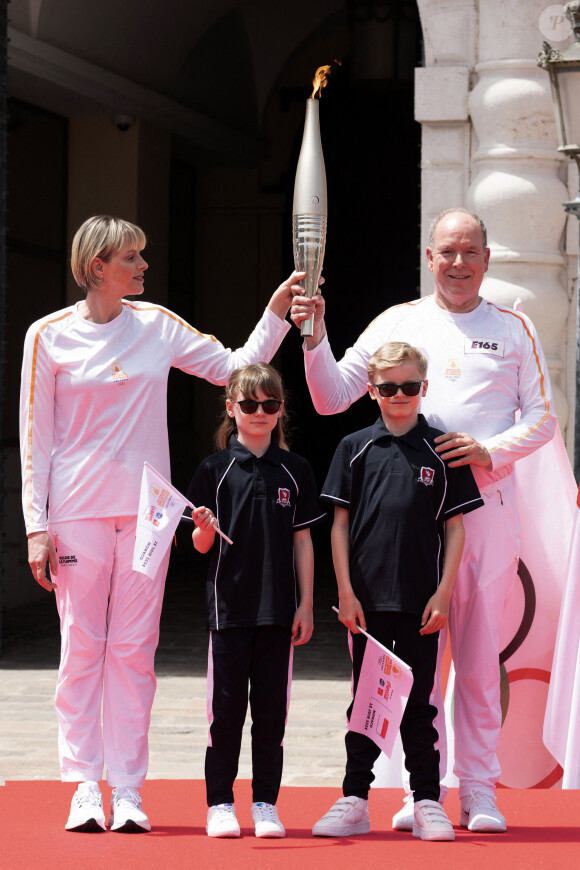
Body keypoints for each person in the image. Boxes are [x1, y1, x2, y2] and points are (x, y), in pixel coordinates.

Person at [20, 215, 304, 834]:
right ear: (98, 267)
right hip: (77, 512)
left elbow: (233, 365)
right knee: (81, 648)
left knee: (133, 651)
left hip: (150, 515)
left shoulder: (157, 326)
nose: (144, 267)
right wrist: (36, 525)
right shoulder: (48, 337)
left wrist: (276, 314)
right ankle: (82, 787)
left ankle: (126, 788)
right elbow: (35, 436)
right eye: (132, 258)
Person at [291, 208, 556, 833]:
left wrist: (491, 451)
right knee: (414, 663)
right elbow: (331, 396)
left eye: (469, 252)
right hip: (407, 526)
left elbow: (543, 418)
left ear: (486, 259)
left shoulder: (514, 328)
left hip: (482, 513)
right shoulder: (398, 322)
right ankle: (417, 791)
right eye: (446, 252)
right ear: (429, 258)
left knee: (477, 655)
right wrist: (314, 336)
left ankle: (481, 791)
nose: (458, 263)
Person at [312, 342, 483, 841]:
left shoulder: (443, 449)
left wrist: (444, 593)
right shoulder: (354, 447)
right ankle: (354, 798)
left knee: (419, 704)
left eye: (410, 387)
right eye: (389, 388)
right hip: (366, 602)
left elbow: (455, 529)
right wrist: (345, 590)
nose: (400, 395)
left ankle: (427, 799)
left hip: (420, 602)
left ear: (424, 388)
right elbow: (338, 526)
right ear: (372, 391)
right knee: (366, 701)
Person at [187, 363, 325, 838]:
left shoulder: (297, 469)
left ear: (281, 409)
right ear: (232, 409)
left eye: (270, 404)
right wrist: (203, 530)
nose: (260, 412)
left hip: (278, 613)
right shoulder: (214, 470)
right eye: (249, 405)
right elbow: (199, 546)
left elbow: (304, 541)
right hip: (227, 612)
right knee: (224, 713)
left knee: (272, 714)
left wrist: (306, 604)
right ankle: (220, 803)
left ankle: (265, 803)